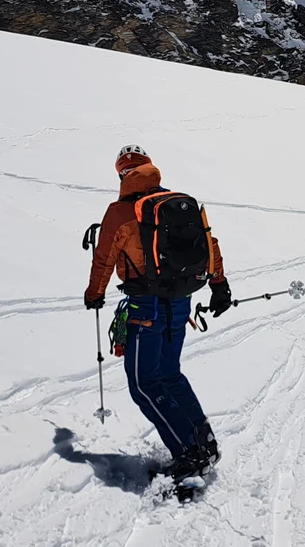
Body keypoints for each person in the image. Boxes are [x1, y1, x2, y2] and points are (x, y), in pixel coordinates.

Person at [85, 145, 229, 488]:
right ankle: (202, 443)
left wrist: (95, 294)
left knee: (144, 383)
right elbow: (211, 245)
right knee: (169, 374)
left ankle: (188, 454)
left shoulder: (121, 211)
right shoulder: (177, 202)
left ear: (121, 173)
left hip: (144, 306)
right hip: (180, 301)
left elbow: (104, 258)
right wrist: (220, 284)